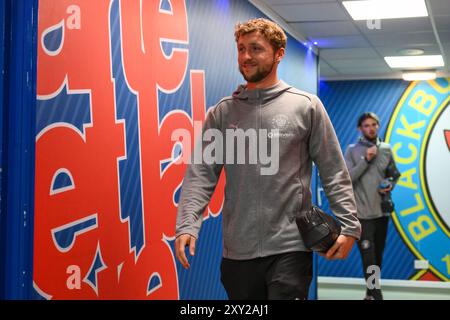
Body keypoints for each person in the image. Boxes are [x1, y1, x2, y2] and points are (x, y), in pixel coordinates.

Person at [175, 18, 361, 300]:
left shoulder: (306, 106)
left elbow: (333, 170)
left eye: (256, 48)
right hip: (237, 252)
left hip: (290, 248)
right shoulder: (223, 114)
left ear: (279, 54)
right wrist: (188, 224)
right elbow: (201, 173)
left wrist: (349, 226)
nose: (246, 57)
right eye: (240, 49)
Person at [344, 112, 400, 300]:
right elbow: (348, 178)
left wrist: (389, 185)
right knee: (368, 258)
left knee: (377, 257)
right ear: (360, 128)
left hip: (381, 213)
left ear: (378, 126)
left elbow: (394, 174)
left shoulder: (386, 149)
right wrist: (365, 160)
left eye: (374, 124)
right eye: (366, 125)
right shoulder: (352, 150)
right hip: (362, 215)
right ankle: (377, 295)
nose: (371, 128)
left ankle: (369, 294)